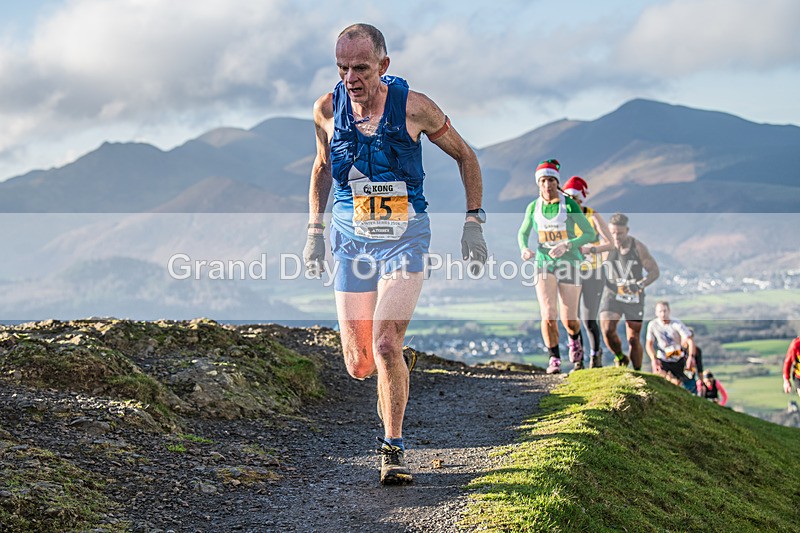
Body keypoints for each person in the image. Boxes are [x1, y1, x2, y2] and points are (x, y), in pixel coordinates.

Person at [303, 23, 488, 485]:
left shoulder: (416, 108)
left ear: (383, 66)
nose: (351, 77)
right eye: (343, 68)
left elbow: (466, 156)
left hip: (406, 240)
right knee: (359, 363)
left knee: (385, 342)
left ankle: (393, 449)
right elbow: (323, 166)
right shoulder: (326, 110)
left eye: (361, 67)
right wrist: (314, 230)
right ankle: (396, 369)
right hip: (351, 241)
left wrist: (473, 222)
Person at [518, 160, 597, 374]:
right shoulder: (533, 207)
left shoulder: (568, 205)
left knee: (569, 318)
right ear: (538, 183)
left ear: (557, 182)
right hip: (544, 263)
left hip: (570, 263)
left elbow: (590, 234)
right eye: (543, 181)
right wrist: (524, 249)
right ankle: (554, 358)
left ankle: (575, 346)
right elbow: (523, 233)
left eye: (551, 180)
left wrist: (568, 244)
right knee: (548, 314)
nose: (547, 185)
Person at [561, 176, 613, 369]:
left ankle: (595, 356)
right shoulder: (563, 217)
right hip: (571, 272)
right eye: (568, 199)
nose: (570, 203)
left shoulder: (592, 215)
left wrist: (590, 249)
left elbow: (611, 244)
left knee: (589, 318)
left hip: (593, 272)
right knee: (571, 318)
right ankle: (578, 360)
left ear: (580, 199)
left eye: (574, 199)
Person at [599, 213, 659, 370]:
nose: (616, 236)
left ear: (627, 230)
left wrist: (640, 285)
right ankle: (620, 357)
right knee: (607, 329)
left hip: (634, 296)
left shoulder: (637, 247)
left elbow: (654, 272)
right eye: (612, 233)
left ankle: (638, 372)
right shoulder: (605, 246)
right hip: (612, 293)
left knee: (633, 338)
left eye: (620, 233)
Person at [645, 301, 698, 386]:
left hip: (678, 357)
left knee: (680, 383)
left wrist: (691, 357)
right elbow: (649, 344)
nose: (663, 314)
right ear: (656, 312)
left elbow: (690, 340)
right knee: (659, 380)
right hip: (662, 357)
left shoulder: (676, 323)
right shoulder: (653, 325)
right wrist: (653, 358)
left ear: (669, 311)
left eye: (665, 311)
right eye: (660, 311)